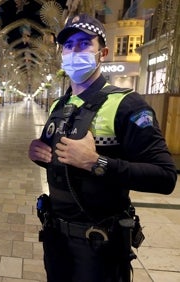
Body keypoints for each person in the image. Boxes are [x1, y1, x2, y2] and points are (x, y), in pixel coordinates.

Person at [28, 14, 177, 282]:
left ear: (103, 53)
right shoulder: (58, 106)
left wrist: (96, 162)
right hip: (56, 241)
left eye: (84, 44)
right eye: (69, 45)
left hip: (99, 246)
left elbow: (165, 177)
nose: (75, 51)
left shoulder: (128, 105)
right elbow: (60, 159)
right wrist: (41, 155)